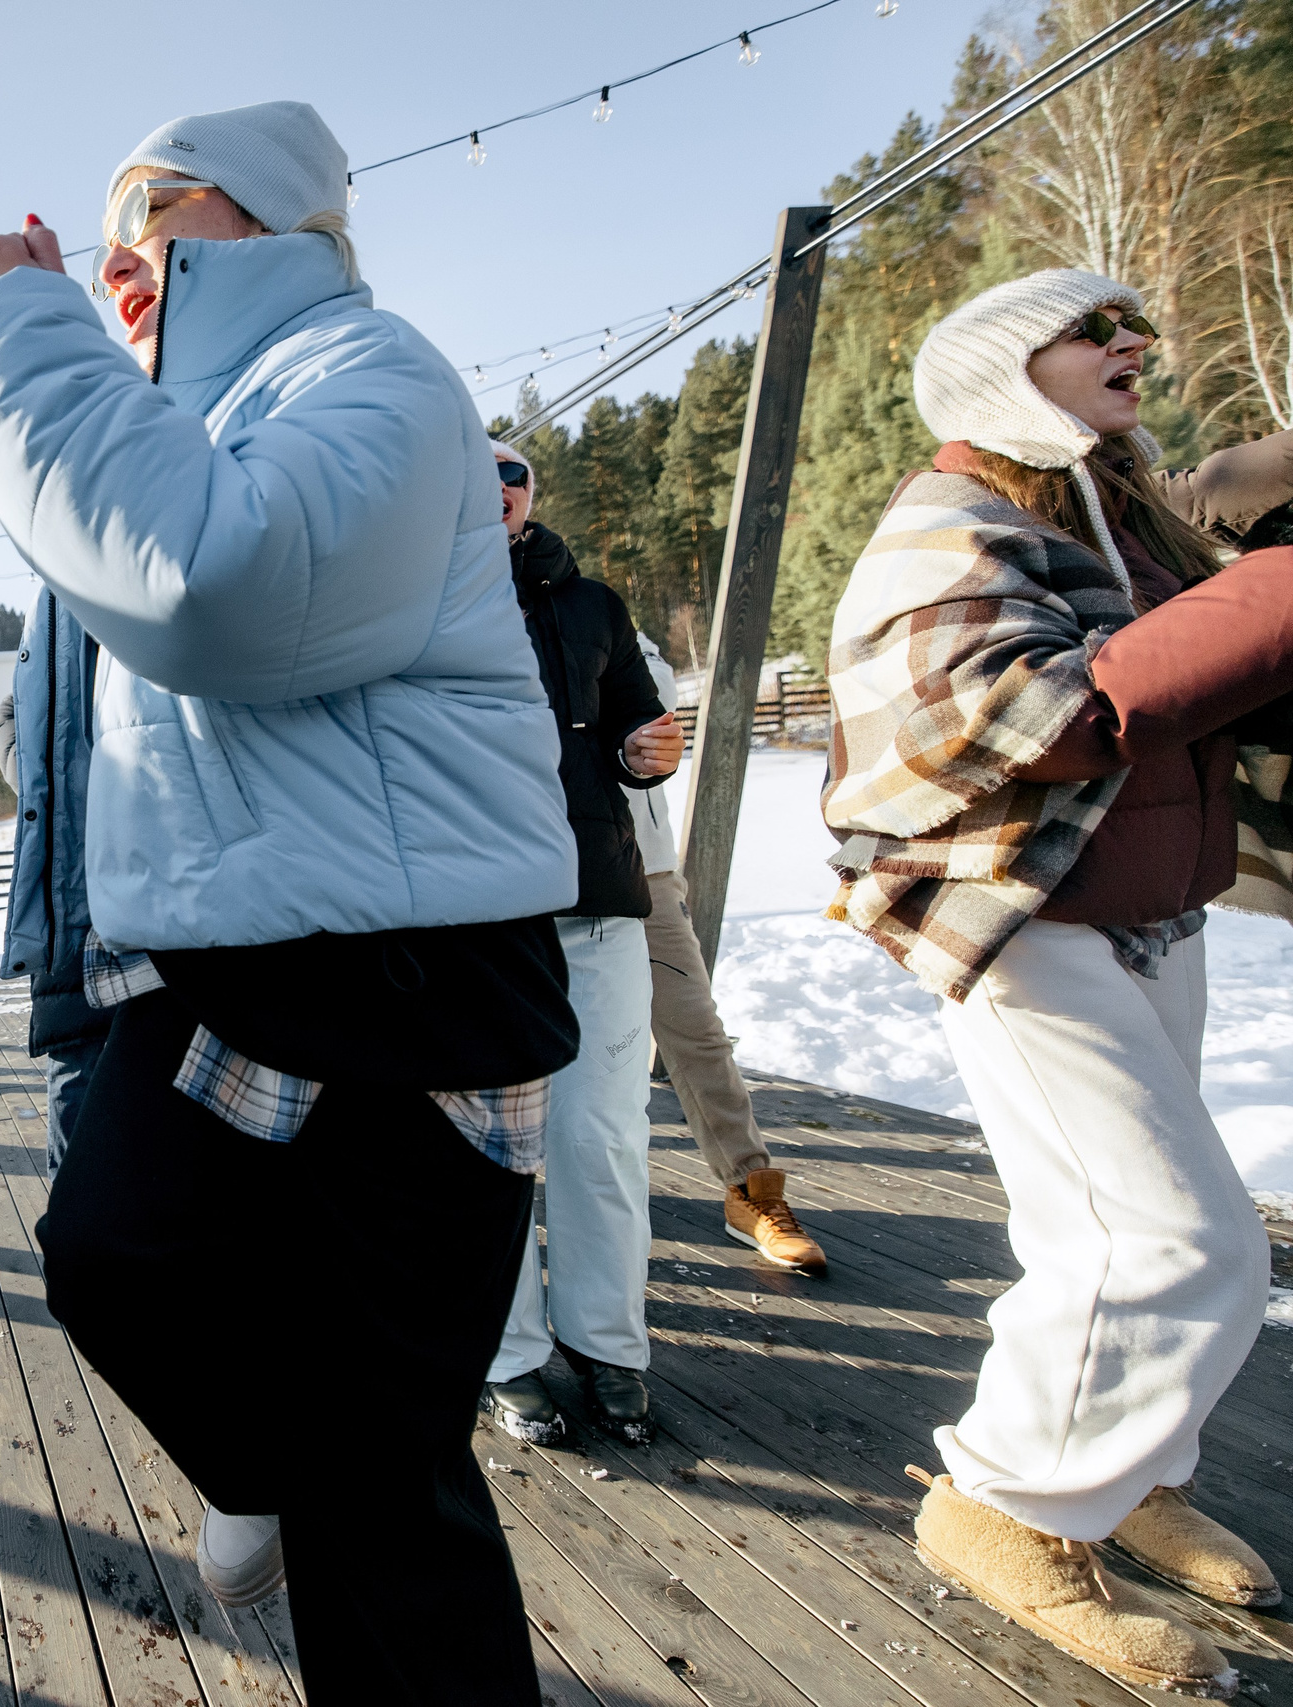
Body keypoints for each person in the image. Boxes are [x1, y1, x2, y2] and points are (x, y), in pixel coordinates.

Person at [0, 102, 581, 1703]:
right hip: (233, 972)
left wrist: (21, 334)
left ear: (272, 215)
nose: (114, 258)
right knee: (111, 1254)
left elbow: (217, 591)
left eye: (150, 210)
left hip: (406, 974)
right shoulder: (204, 427)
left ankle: (336, 1489)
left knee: (393, 1495)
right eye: (97, 240)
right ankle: (288, 1461)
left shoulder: (372, 372)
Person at [825, 268, 1293, 1697]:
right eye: (1091, 332)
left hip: (1148, 913)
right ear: (994, 368)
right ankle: (1009, 1506)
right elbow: (1021, 710)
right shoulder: (943, 518)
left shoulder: (1118, 501)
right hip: (1025, 925)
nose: (1132, 345)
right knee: (1178, 1241)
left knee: (1093, 1232)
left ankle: (1124, 1471)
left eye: (1129, 325)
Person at [480, 442, 683, 1452]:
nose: (497, 485)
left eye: (511, 470)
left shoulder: (594, 604)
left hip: (595, 896)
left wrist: (650, 751)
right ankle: (507, 1356)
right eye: (472, 472)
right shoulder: (414, 599)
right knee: (493, 1147)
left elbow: (636, 727)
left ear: (532, 490)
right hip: (470, 914)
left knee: (601, 1137)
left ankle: (609, 1347)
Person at [622, 629, 828, 1277]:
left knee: (696, 1029)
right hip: (525, 872)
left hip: (638, 865)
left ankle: (750, 1188)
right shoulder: (459, 607)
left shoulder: (589, 604)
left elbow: (653, 692)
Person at [0, 590, 109, 1175]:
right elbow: (10, 718)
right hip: (71, 928)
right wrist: (39, 778)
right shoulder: (51, 615)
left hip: (131, 924)